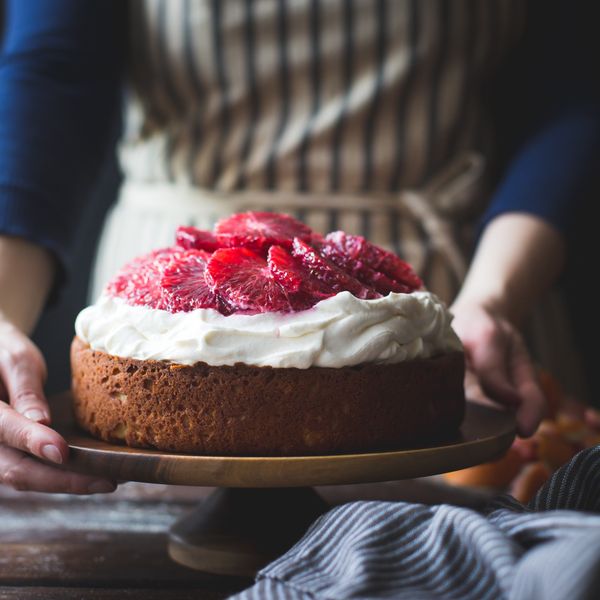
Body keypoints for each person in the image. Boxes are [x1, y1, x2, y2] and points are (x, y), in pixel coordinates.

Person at [0, 0, 598, 495]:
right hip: (179, 301)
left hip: (464, 294)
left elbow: (572, 83)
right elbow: (56, 70)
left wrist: (493, 299)